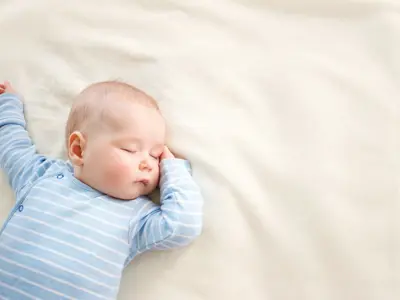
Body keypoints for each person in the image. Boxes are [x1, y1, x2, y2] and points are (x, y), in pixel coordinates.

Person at [0, 80, 203, 299]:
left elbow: (183, 224)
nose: (148, 163)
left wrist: (172, 168)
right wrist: (8, 103)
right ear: (79, 149)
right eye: (131, 149)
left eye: (155, 155)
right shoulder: (40, 176)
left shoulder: (136, 217)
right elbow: (12, 146)